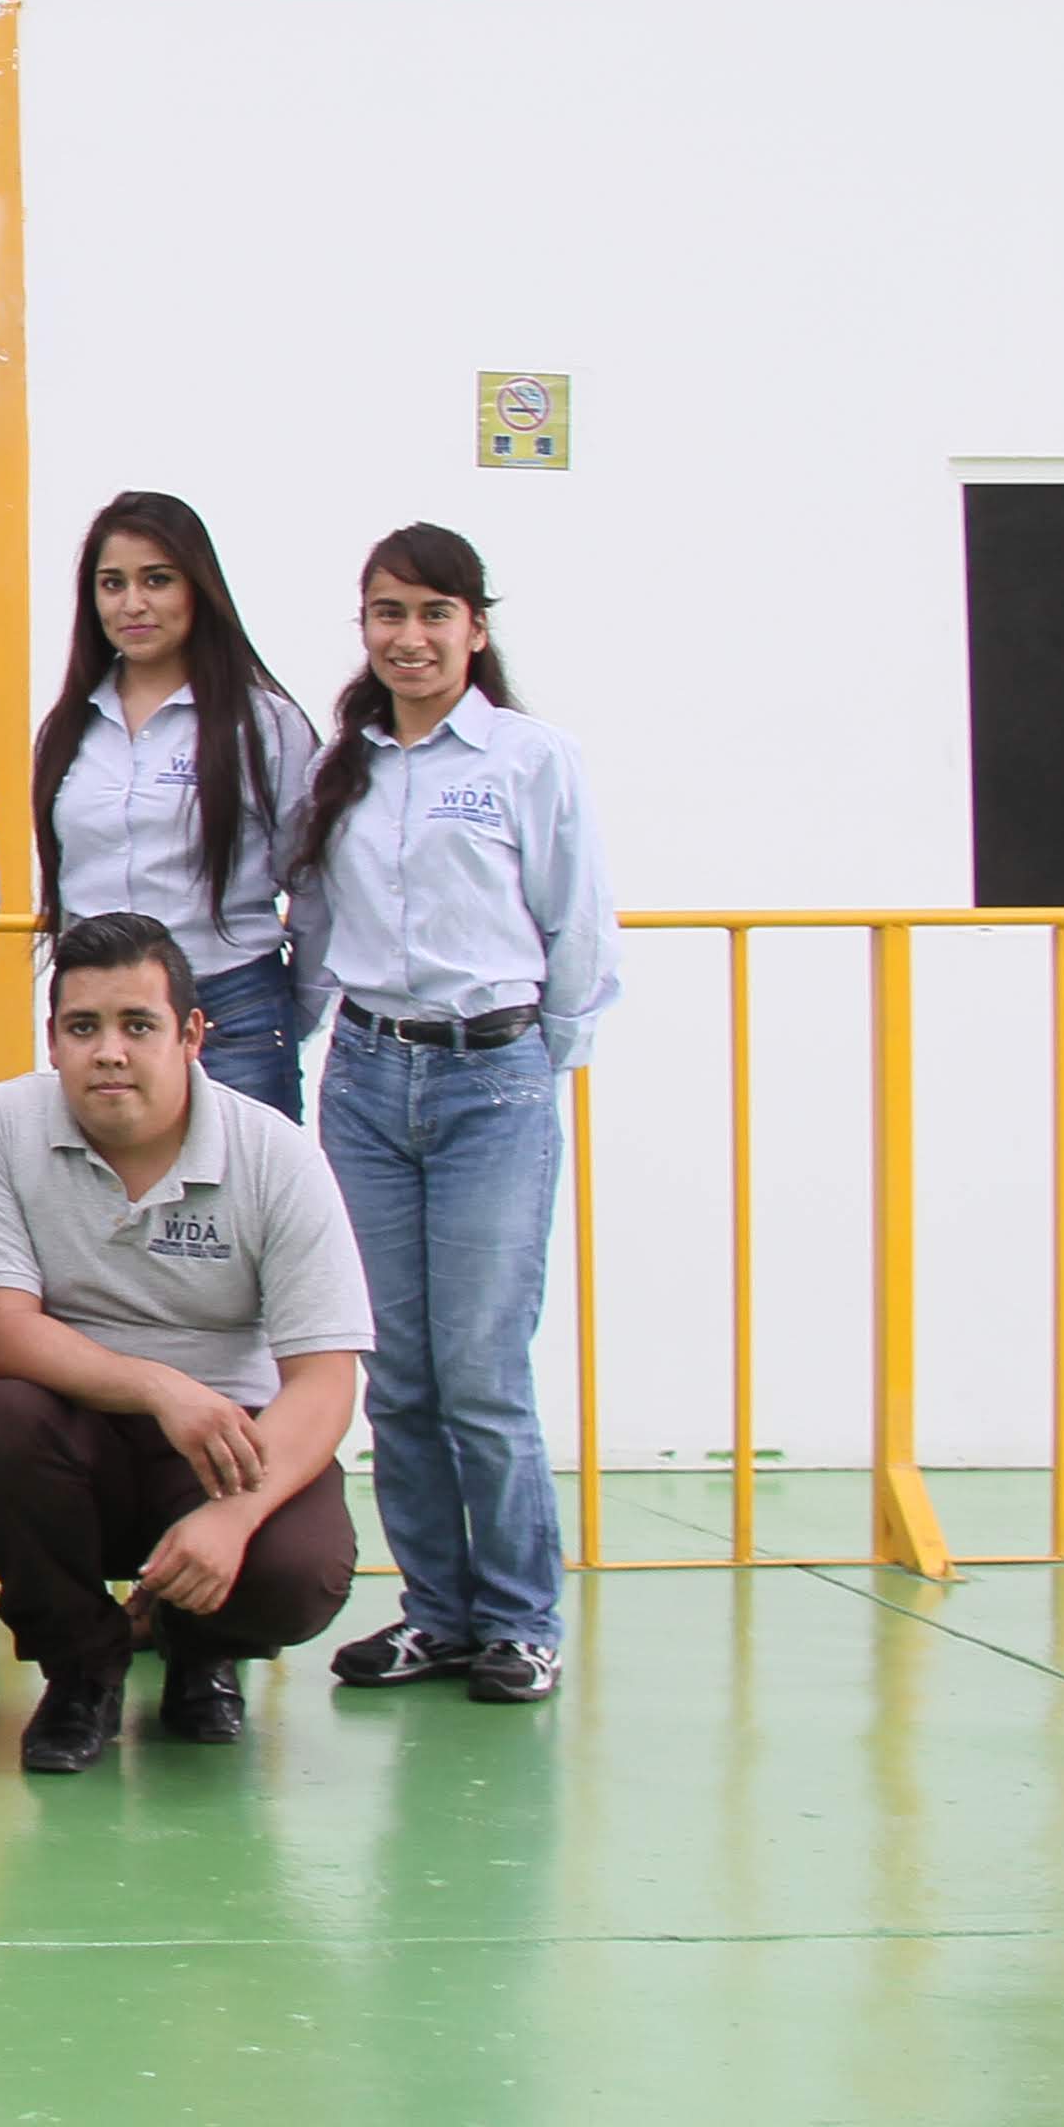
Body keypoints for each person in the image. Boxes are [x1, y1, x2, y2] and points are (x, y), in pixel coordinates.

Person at [289, 523, 621, 1712]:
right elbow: (312, 924)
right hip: (366, 1085)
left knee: (480, 1370)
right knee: (398, 1375)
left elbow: (575, 928)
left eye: (433, 613)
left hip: (491, 1079)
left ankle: (519, 1621)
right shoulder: (345, 767)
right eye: (387, 613)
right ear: (363, 628)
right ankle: (436, 1611)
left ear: (474, 627)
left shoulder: (529, 758)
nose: (409, 636)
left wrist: (529, 1061)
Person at [0, 914, 377, 1774]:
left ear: (191, 1034)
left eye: (138, 1025)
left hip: (228, 1440)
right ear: (53, 1039)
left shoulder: (276, 1156)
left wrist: (235, 1516)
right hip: (77, 1431)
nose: (109, 1052)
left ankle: (198, 1646)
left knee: (302, 1571)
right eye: (83, 1026)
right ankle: (81, 1670)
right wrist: (158, 1388)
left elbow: (325, 1381)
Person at [27, 491, 322, 1122]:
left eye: (156, 580)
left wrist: (295, 1007)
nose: (132, 604)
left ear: (198, 589)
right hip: (102, 1016)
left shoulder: (263, 725)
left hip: (230, 1007)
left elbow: (313, 882)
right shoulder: (71, 726)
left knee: (240, 1184)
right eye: (113, 584)